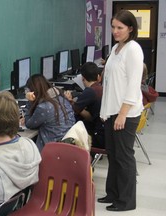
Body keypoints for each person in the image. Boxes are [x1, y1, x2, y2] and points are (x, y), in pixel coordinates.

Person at [98, 10, 144, 211]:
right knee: (113, 154)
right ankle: (113, 194)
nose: (115, 31)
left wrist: (123, 114)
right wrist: (105, 111)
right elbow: (109, 82)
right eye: (113, 27)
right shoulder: (117, 48)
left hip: (126, 113)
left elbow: (134, 85)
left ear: (130, 29)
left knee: (124, 157)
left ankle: (126, 201)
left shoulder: (133, 49)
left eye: (120, 28)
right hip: (111, 111)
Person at [23, 74, 75, 152]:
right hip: (68, 147)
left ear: (33, 91)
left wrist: (30, 102)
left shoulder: (43, 107)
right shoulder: (61, 98)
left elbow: (29, 124)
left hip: (52, 151)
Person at [64, 62, 104, 149]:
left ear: (82, 78)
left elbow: (75, 110)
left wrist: (68, 101)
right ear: (98, 77)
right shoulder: (101, 88)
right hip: (104, 134)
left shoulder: (89, 91)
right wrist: (73, 103)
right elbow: (91, 116)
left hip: (96, 137)